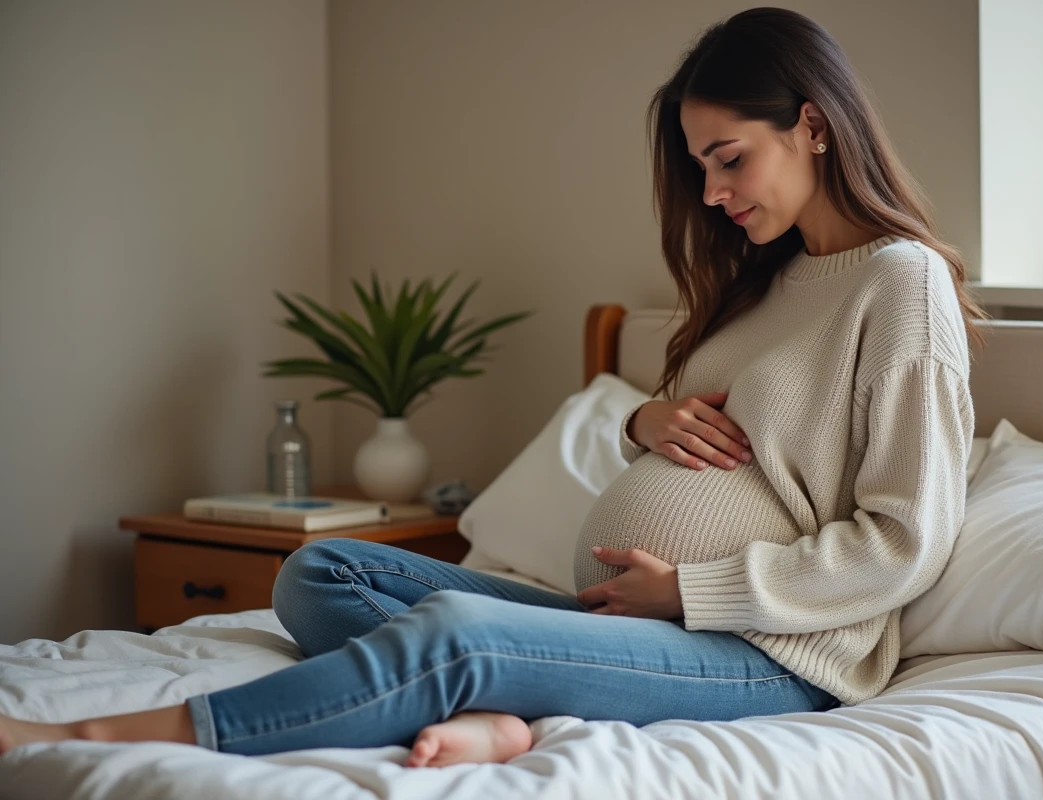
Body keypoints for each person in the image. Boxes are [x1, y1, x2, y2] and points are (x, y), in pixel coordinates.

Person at [0, 7, 985, 767]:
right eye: (701, 169)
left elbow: (905, 539)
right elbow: (686, 430)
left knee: (462, 629)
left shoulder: (900, 283)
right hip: (622, 611)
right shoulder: (760, 281)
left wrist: (686, 589)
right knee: (321, 571)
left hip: (774, 654)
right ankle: (500, 716)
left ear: (812, 125)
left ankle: (105, 728)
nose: (715, 193)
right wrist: (645, 415)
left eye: (731, 158)